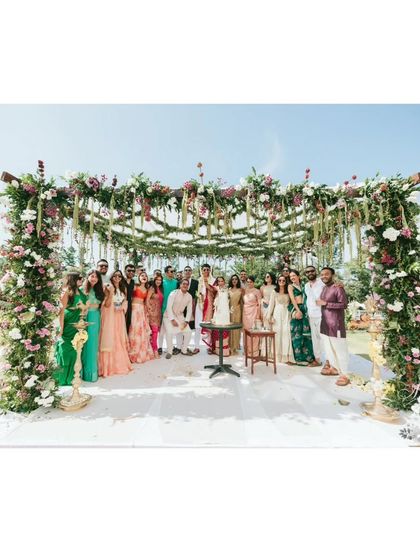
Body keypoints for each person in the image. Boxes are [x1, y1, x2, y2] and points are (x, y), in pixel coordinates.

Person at [317, 267, 350, 386]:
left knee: (340, 350)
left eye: (326, 274)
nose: (324, 276)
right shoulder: (324, 288)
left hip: (336, 325)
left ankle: (345, 375)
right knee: (329, 350)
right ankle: (335, 368)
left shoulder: (338, 288)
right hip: (325, 325)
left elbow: (343, 304)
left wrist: (326, 303)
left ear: (332, 275)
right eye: (322, 274)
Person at [54, 272, 87, 386]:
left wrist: (82, 309)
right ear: (73, 279)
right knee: (66, 349)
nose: (82, 280)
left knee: (76, 349)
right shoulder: (66, 291)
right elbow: (61, 312)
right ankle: (63, 377)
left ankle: (74, 376)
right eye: (79, 278)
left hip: (78, 323)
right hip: (68, 322)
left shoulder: (80, 290)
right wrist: (61, 328)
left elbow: (84, 306)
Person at [99, 270, 133, 377]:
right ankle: (108, 366)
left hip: (119, 315)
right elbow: (105, 302)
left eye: (119, 276)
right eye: (115, 275)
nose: (117, 277)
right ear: (111, 276)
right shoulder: (107, 286)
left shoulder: (124, 288)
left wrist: (122, 307)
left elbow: (126, 301)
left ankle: (119, 362)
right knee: (110, 336)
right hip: (110, 314)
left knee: (118, 336)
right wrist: (113, 305)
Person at [287, 270, 318, 366]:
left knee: (306, 335)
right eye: (290, 276)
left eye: (294, 275)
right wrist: (297, 310)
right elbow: (292, 299)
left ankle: (308, 357)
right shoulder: (290, 286)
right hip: (296, 309)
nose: (292, 277)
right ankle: (298, 358)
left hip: (305, 310)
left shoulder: (304, 285)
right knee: (296, 334)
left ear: (298, 276)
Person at [81, 269, 105, 382]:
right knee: (82, 343)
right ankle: (80, 372)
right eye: (92, 276)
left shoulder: (100, 290)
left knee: (92, 344)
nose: (94, 278)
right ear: (88, 277)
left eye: (96, 277)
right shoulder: (82, 289)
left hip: (95, 316)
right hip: (84, 316)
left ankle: (91, 373)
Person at [163, 279, 193, 359]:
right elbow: (168, 307)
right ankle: (170, 351)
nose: (185, 285)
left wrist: (186, 321)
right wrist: (172, 319)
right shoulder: (174, 293)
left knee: (188, 332)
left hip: (180, 316)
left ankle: (184, 350)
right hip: (168, 316)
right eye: (183, 284)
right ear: (180, 285)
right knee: (169, 332)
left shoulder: (189, 296)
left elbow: (190, 310)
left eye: (187, 284)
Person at [267, 275, 294, 363]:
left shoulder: (288, 291)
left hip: (287, 314)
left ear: (286, 282)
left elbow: (292, 303)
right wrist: (269, 316)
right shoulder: (274, 292)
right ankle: (277, 355)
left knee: (286, 333)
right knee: (277, 334)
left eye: (283, 280)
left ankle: (286, 356)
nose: (281, 282)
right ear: (277, 281)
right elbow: (271, 305)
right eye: (280, 280)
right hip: (277, 314)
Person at [128, 271, 154, 363]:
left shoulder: (147, 289)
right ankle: (133, 351)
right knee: (134, 329)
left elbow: (146, 302)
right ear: (138, 277)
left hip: (142, 310)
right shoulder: (135, 286)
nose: (144, 277)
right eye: (142, 275)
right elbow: (129, 297)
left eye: (145, 276)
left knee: (141, 330)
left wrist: (149, 311)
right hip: (134, 309)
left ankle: (141, 351)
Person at [304, 266, 325, 367]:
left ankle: (329, 362)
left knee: (324, 338)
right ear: (305, 274)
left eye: (312, 271)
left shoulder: (322, 282)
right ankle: (317, 360)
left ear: (315, 271)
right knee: (315, 338)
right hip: (311, 315)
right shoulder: (306, 285)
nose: (310, 273)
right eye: (307, 272)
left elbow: (332, 290)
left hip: (322, 314)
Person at [158, 265, 179, 354]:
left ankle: (169, 347)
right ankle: (160, 347)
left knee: (169, 330)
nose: (173, 273)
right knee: (162, 330)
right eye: (171, 271)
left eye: (173, 271)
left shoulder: (176, 282)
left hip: (173, 310)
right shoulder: (162, 283)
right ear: (166, 273)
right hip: (162, 309)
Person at [197, 263, 217, 354]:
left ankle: (210, 346)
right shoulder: (199, 280)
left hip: (210, 304)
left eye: (207, 269)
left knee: (210, 325)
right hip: (200, 304)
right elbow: (197, 292)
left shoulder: (213, 280)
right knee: (198, 325)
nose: (206, 271)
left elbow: (214, 291)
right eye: (204, 270)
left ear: (210, 270)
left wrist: (207, 284)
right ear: (201, 270)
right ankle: (197, 346)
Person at [242, 275, 262, 357]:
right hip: (245, 312)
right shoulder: (245, 290)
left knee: (254, 331)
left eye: (251, 282)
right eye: (248, 282)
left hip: (254, 312)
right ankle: (246, 350)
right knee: (245, 331)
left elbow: (260, 303)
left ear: (253, 282)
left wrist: (258, 314)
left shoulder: (257, 291)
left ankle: (254, 352)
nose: (249, 283)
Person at [182, 265, 200, 354]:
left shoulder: (195, 282)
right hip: (182, 307)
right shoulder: (180, 282)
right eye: (186, 270)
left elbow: (199, 294)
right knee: (182, 325)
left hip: (192, 306)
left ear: (191, 272)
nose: (188, 271)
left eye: (189, 270)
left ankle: (190, 346)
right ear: (184, 272)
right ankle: (182, 346)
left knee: (191, 326)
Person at [211, 276, 230, 356]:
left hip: (225, 312)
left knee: (225, 329)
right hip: (218, 311)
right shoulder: (217, 288)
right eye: (219, 281)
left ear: (224, 282)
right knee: (217, 330)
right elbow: (209, 286)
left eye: (222, 281)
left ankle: (225, 350)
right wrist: (204, 279)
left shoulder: (227, 289)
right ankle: (218, 350)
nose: (220, 283)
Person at [147, 273, 164, 359]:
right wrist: (149, 311)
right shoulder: (152, 288)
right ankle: (155, 350)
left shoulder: (160, 289)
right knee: (154, 332)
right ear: (154, 280)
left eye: (160, 280)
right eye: (157, 280)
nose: (159, 281)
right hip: (152, 313)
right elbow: (147, 300)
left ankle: (151, 350)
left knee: (155, 332)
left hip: (158, 313)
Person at [228, 274, 243, 354]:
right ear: (231, 280)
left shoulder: (241, 290)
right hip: (229, 310)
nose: (234, 280)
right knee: (229, 329)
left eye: (236, 279)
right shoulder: (228, 290)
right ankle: (229, 346)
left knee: (236, 329)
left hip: (238, 310)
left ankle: (235, 346)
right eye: (233, 279)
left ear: (238, 281)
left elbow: (242, 302)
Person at [124, 263, 136, 332]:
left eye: (133, 271)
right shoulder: (120, 281)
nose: (131, 272)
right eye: (129, 270)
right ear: (125, 271)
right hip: (121, 305)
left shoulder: (133, 282)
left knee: (129, 324)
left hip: (130, 306)